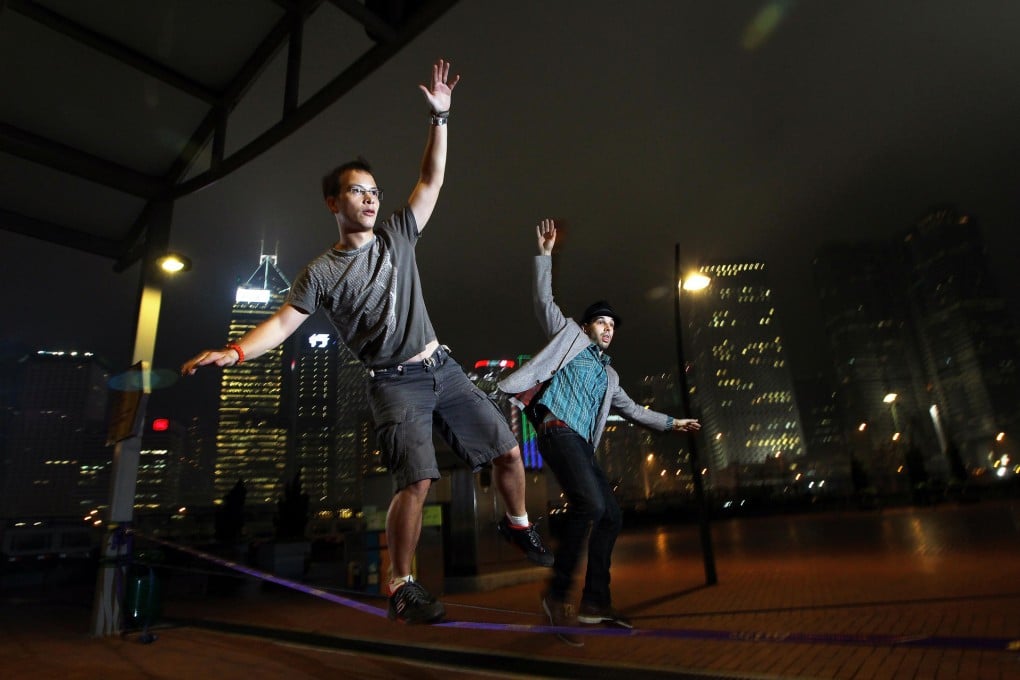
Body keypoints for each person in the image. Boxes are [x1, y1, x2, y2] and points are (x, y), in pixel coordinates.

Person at [181, 59, 551, 625]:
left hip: (443, 368)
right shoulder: (321, 273)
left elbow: (432, 179)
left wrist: (441, 116)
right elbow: (282, 326)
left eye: (375, 192)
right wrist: (233, 352)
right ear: (334, 203)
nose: (372, 200)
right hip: (394, 383)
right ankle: (400, 583)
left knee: (506, 450)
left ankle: (517, 524)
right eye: (359, 193)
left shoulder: (399, 234)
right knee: (418, 479)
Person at [498, 219, 701, 646]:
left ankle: (595, 603)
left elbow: (631, 410)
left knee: (612, 515)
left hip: (582, 447)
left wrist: (671, 423)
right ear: (587, 326)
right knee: (589, 504)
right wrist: (545, 255)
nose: (608, 329)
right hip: (556, 430)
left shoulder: (610, 377)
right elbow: (543, 300)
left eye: (612, 325)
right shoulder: (568, 336)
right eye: (601, 322)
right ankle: (557, 597)